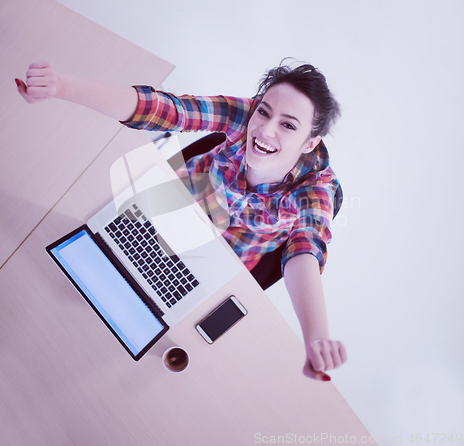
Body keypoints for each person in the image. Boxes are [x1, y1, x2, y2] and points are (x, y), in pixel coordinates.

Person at [16, 60, 348, 381]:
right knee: (68, 274)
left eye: (289, 125)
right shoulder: (244, 116)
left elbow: (305, 251)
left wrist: (316, 338)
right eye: (264, 111)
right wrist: (62, 86)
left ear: (310, 142)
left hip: (219, 257)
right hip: (172, 206)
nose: (265, 129)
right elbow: (166, 109)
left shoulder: (316, 190)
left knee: (129, 339)